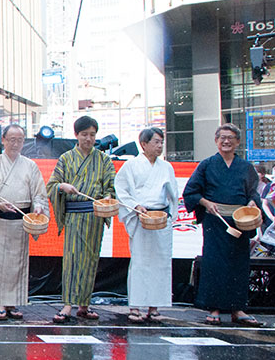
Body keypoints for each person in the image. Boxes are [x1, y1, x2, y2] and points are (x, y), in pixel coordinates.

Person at [183, 124, 265, 327]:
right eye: (222, 138)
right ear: (216, 141)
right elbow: (192, 191)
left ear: (237, 142)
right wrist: (206, 203)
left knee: (239, 263)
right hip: (215, 220)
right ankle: (214, 308)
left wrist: (253, 202)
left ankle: (238, 308)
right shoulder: (207, 165)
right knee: (214, 263)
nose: (226, 141)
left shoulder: (245, 167)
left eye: (230, 138)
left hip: (240, 221)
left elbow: (253, 192)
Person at [46, 115, 116, 324]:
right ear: (76, 135)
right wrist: (62, 187)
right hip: (75, 216)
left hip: (94, 215)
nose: (88, 139)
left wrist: (108, 196)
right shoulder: (66, 158)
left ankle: (84, 304)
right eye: (84, 134)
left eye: (92, 135)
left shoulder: (104, 160)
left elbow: (111, 186)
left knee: (91, 259)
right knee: (73, 259)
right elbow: (52, 185)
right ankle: (68, 304)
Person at [0, 124, 48, 321]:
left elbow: (39, 192)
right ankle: (0, 303)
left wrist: (38, 207)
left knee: (18, 264)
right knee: (0, 263)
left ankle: (14, 302)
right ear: (3, 140)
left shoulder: (30, 165)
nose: (15, 144)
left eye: (19, 140)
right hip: (1, 219)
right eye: (11, 139)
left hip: (21, 221)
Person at [114, 127, 179, 323]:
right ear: (144, 144)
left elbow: (173, 195)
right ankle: (135, 306)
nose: (160, 146)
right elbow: (121, 190)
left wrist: (171, 216)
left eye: (161, 142)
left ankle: (154, 307)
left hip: (160, 216)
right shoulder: (131, 165)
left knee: (161, 262)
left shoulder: (166, 167)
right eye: (156, 142)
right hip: (140, 215)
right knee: (140, 262)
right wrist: (135, 206)